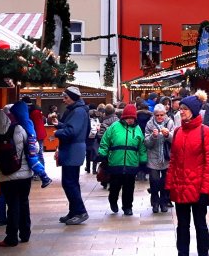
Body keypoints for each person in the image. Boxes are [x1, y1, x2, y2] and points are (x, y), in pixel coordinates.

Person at [0, 107, 42, 247]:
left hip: (6, 176)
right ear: (5, 117)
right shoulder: (19, 129)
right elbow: (34, 147)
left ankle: (11, 237)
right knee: (24, 202)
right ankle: (25, 234)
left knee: (12, 205)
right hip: (24, 175)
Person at [167, 95, 209, 256]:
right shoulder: (178, 132)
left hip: (198, 188)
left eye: (185, 109)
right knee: (182, 226)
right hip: (180, 187)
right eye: (180, 109)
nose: (181, 112)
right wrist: (169, 185)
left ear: (193, 111)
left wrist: (205, 190)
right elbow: (173, 161)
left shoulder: (206, 132)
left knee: (200, 225)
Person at [98, 104, 147, 215]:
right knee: (115, 186)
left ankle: (127, 207)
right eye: (127, 117)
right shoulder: (114, 127)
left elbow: (142, 147)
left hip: (131, 163)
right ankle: (113, 201)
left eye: (132, 118)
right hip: (116, 162)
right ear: (123, 117)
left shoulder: (138, 129)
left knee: (129, 188)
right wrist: (103, 155)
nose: (130, 120)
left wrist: (143, 161)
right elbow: (105, 141)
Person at [53, 86, 90, 225]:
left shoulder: (78, 111)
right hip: (73, 150)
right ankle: (74, 211)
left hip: (72, 151)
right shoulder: (78, 110)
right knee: (71, 182)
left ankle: (80, 211)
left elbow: (72, 131)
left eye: (66, 97)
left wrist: (57, 132)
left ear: (73, 98)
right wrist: (59, 125)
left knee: (69, 183)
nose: (64, 100)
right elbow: (73, 128)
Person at [144, 103, 176, 213]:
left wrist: (168, 135)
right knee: (154, 181)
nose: (159, 117)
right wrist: (153, 137)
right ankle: (155, 202)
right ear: (154, 115)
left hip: (167, 157)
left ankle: (163, 202)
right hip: (153, 157)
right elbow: (147, 143)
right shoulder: (149, 124)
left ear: (165, 114)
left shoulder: (170, 122)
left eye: (161, 115)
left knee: (165, 182)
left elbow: (175, 140)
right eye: (157, 115)